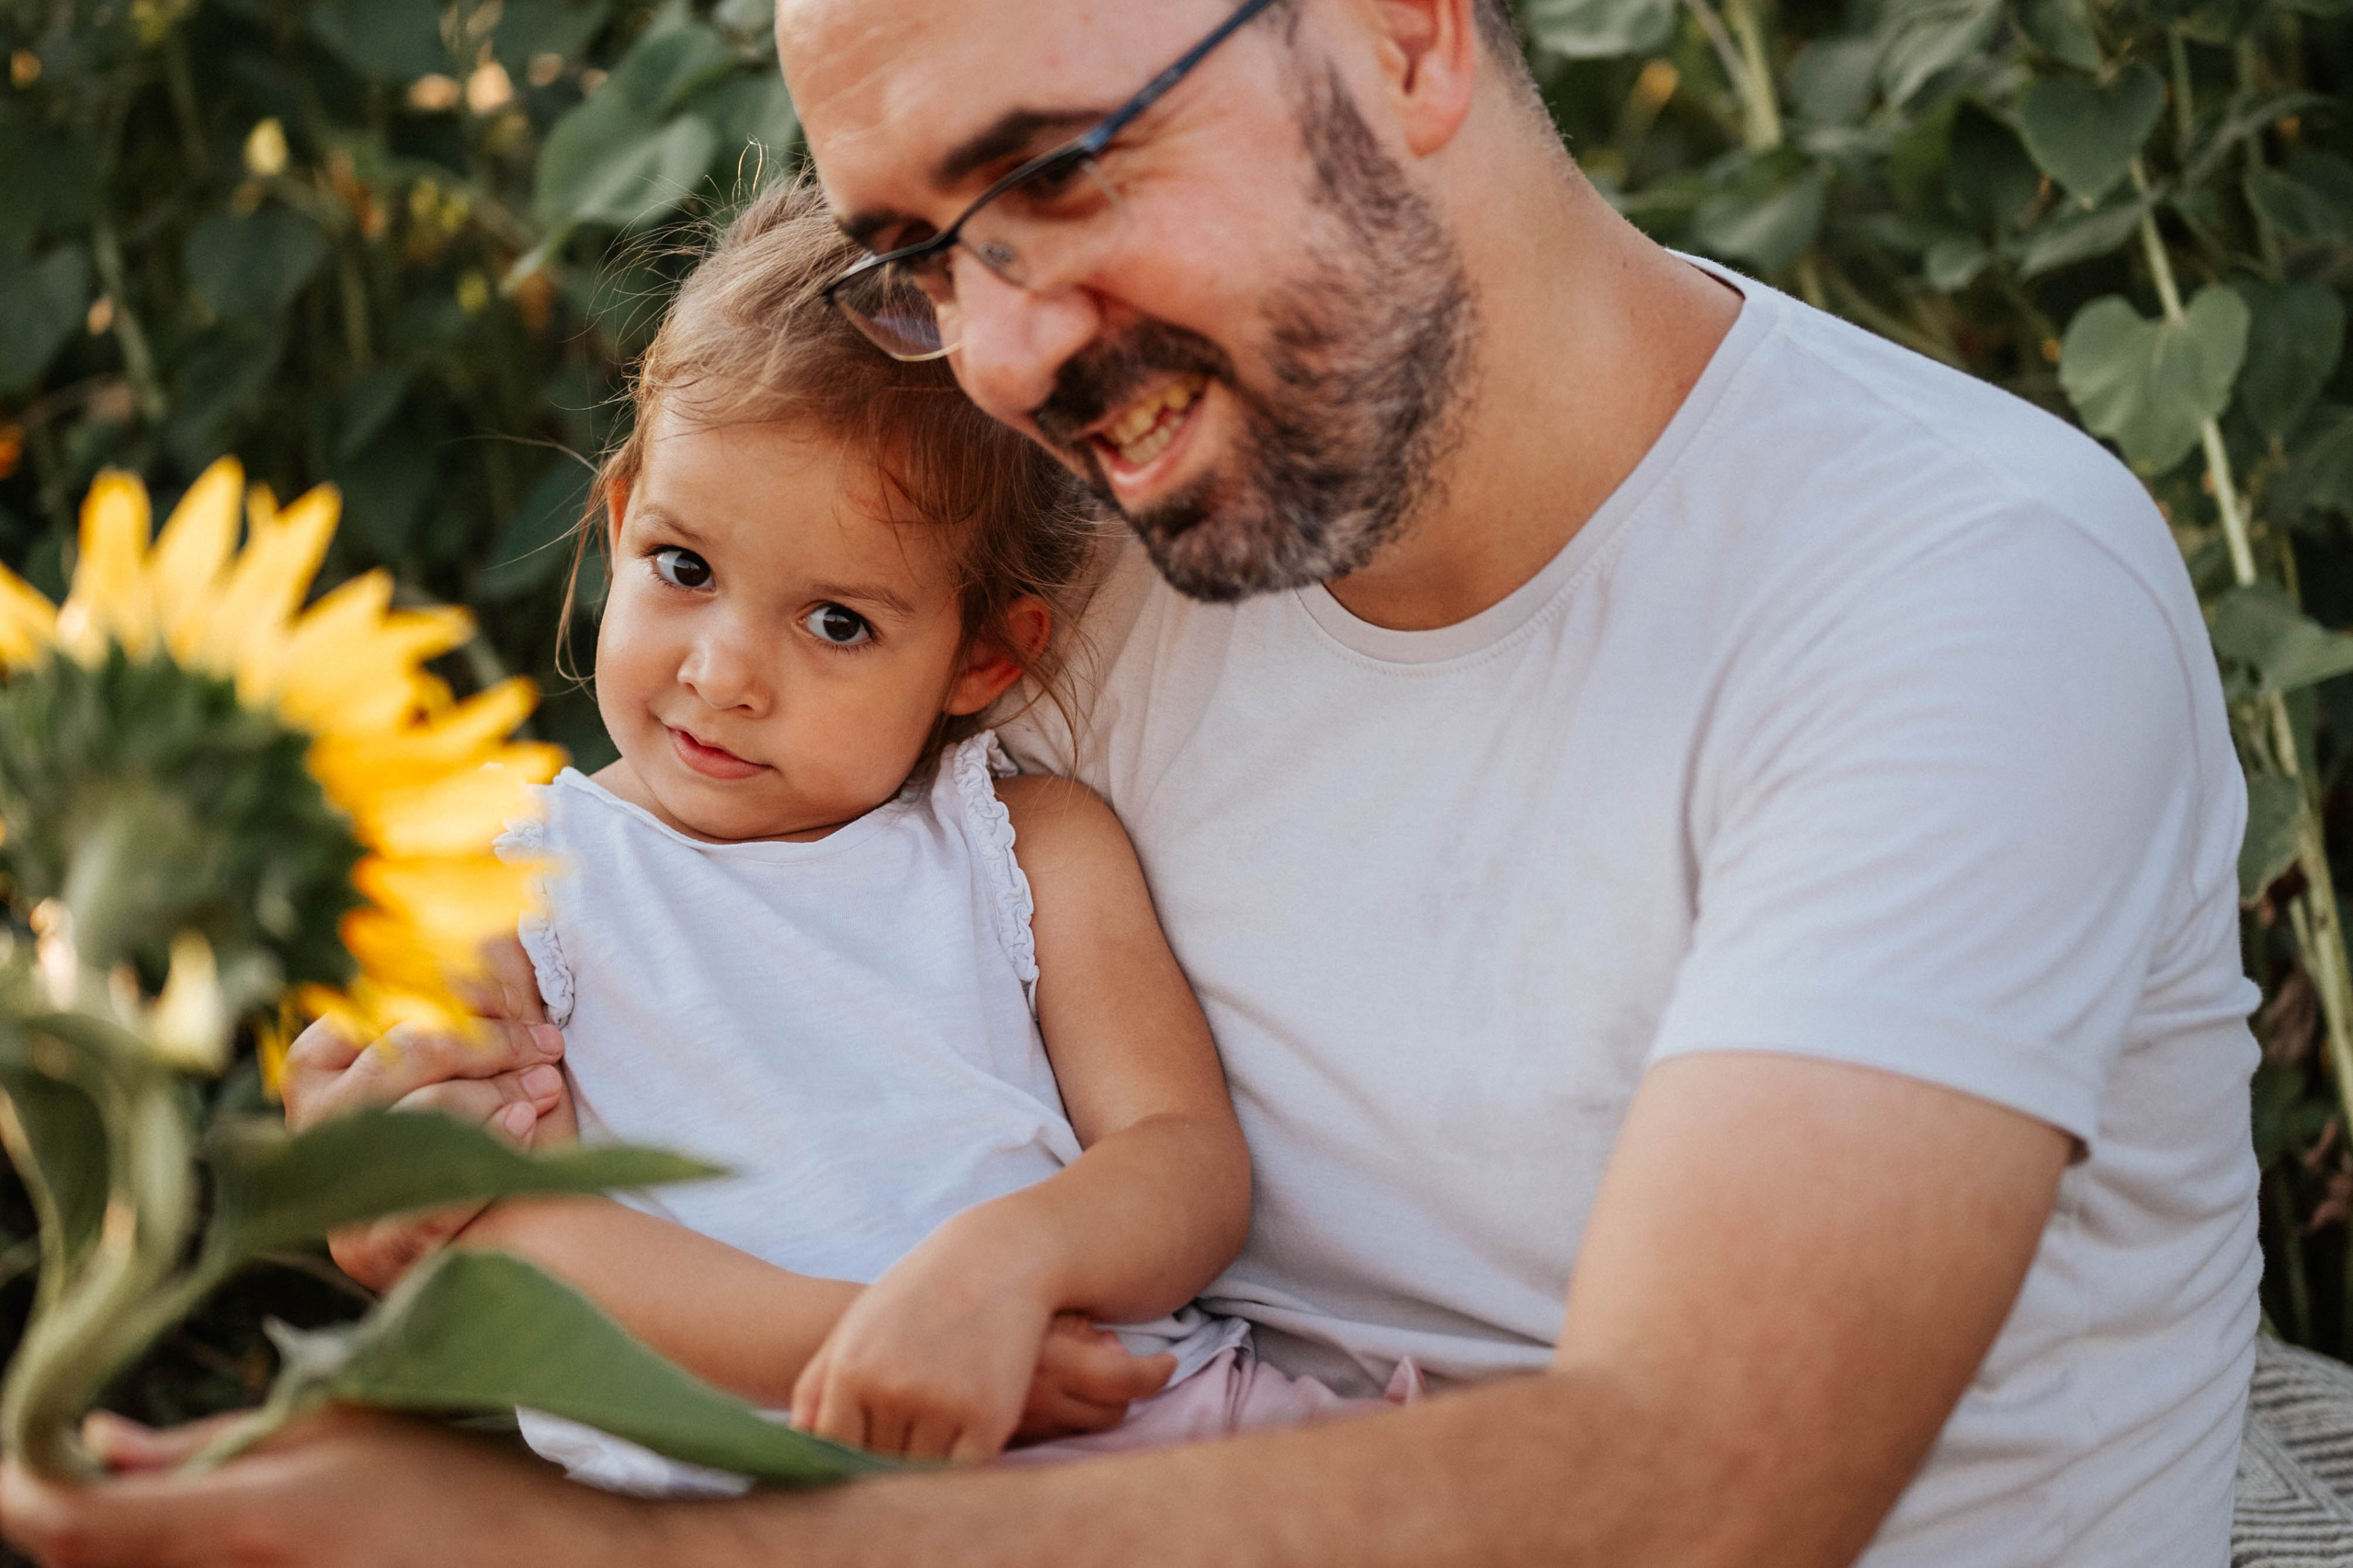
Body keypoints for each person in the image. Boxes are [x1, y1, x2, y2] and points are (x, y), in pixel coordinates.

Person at [0, 0, 2258, 1564]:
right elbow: (753, 993)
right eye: (913, 256)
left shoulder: (1951, 595)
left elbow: (1686, 1494)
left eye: (1056, 168)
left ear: (1401, 29)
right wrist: (433, 1147)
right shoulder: (1089, 552)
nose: (996, 349)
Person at [358, 179, 1413, 1483]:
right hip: (778, 1493)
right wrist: (879, 1345)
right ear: (623, 522)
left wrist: (1001, 1274)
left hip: (1130, 1428)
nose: (725, 673)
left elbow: (1184, 1161)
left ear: (982, 656)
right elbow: (531, 1240)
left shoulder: (1024, 845)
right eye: (684, 568)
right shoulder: (512, 885)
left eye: (837, 622)